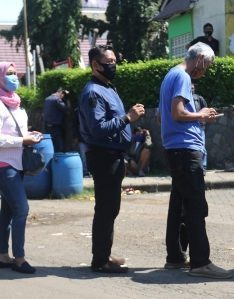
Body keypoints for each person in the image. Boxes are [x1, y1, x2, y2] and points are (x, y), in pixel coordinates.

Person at [158, 42, 231, 279]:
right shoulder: (182, 77)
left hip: (176, 149)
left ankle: (176, 256)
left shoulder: (171, 74)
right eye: (206, 65)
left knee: (179, 204)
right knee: (195, 205)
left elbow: (162, 116)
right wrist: (201, 115)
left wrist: (196, 117)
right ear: (199, 58)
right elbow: (177, 113)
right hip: (186, 150)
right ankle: (201, 262)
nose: (204, 71)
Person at [79, 45, 145, 273]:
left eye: (115, 60)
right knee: (106, 209)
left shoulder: (108, 88)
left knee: (111, 209)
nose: (113, 65)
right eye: (108, 61)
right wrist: (128, 117)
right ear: (96, 64)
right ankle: (100, 261)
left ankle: (104, 254)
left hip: (114, 156)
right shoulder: (92, 92)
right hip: (103, 156)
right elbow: (98, 129)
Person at [0, 62, 42, 274]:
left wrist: (29, 135)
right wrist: (21, 141)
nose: (13, 77)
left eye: (15, 73)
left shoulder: (13, 102)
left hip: (15, 163)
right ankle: (19, 258)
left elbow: (15, 131)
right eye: (8, 74)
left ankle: (2, 256)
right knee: (21, 208)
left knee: (8, 210)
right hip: (1, 164)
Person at [43, 88, 71, 152]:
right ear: (61, 93)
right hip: (55, 127)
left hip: (47, 125)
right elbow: (68, 111)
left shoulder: (47, 99)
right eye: (63, 96)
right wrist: (68, 99)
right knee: (58, 147)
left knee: (50, 145)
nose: (63, 98)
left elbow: (43, 114)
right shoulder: (57, 100)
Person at [191, 82, 208, 174]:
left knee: (202, 148)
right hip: (191, 127)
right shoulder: (185, 99)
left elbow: (205, 110)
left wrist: (203, 121)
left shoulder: (199, 98)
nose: (192, 90)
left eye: (193, 88)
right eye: (190, 88)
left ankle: (203, 168)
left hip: (200, 127)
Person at [72, 107, 90, 178]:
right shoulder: (77, 111)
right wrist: (75, 136)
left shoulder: (93, 109)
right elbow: (74, 125)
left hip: (93, 138)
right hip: (82, 137)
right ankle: (86, 172)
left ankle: (93, 171)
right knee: (83, 155)